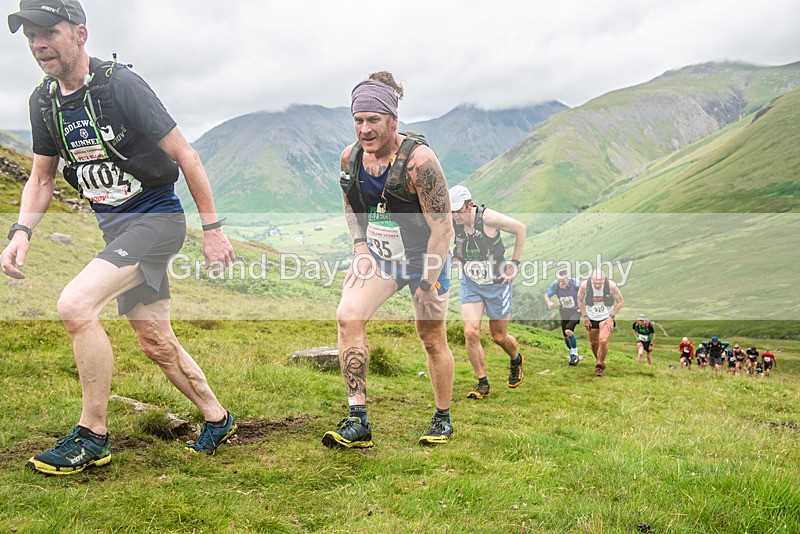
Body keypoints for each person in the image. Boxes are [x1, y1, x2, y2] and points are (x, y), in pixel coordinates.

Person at [3, 0, 237, 475]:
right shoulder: (43, 101)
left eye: (49, 31)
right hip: (116, 227)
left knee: (75, 305)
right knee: (154, 339)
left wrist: (212, 231)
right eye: (30, 35)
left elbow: (186, 156)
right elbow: (43, 177)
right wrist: (22, 231)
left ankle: (93, 436)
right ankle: (218, 417)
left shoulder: (120, 85)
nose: (39, 43)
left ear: (81, 34)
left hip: (157, 220)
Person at [324, 72, 455, 448]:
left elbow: (442, 230)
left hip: (425, 256)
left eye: (373, 120)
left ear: (393, 121)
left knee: (431, 337)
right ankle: (358, 421)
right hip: (381, 257)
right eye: (358, 120)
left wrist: (429, 281)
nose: (365, 129)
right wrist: (360, 248)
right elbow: (351, 207)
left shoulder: (419, 162)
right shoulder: (350, 158)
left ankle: (442, 418)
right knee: (348, 317)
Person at [449, 185, 526, 399]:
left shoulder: (488, 218)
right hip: (471, 283)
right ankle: (482, 382)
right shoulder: (452, 221)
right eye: (451, 210)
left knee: (499, 337)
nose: (454, 215)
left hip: (497, 284)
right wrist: (454, 256)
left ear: (469, 205)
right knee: (470, 331)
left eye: (458, 210)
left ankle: (516, 359)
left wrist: (515, 264)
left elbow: (520, 228)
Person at [577, 269, 624, 377]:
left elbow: (620, 301)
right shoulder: (585, 285)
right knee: (594, 343)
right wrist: (585, 317)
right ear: (591, 280)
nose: (597, 285)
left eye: (600, 283)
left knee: (603, 340)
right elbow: (579, 300)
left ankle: (599, 366)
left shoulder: (611, 286)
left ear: (604, 279)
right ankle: (600, 361)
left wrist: (611, 317)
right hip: (591, 317)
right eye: (595, 283)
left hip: (606, 317)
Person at [544, 269, 583, 366]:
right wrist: (548, 302)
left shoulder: (576, 284)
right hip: (564, 311)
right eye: (559, 281)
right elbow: (547, 295)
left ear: (568, 278)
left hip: (576, 310)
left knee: (568, 331)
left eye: (563, 281)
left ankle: (575, 355)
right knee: (565, 337)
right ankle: (572, 354)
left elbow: (585, 293)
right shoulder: (556, 284)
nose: (561, 283)